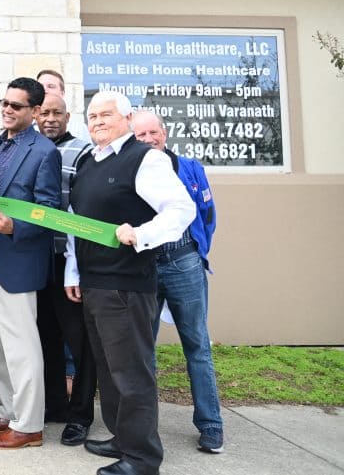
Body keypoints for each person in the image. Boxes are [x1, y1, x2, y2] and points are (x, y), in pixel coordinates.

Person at [65, 92, 194, 475]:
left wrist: (141, 233)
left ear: (127, 118)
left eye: (107, 114)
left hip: (127, 284)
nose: (98, 121)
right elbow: (77, 222)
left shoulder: (146, 159)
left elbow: (182, 208)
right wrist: (74, 273)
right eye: (92, 116)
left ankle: (141, 458)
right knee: (108, 368)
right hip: (94, 283)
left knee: (131, 372)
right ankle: (123, 439)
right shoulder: (89, 161)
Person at [0, 77, 61, 450]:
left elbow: (50, 208)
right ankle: (9, 411)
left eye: (17, 106)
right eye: (5, 104)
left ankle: (29, 425)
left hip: (19, 255)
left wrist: (15, 227)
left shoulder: (44, 152)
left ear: (36, 112)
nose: (7, 110)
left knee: (21, 344)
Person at [131, 110, 224, 454]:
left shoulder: (190, 167)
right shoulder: (131, 170)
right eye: (140, 134)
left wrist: (197, 252)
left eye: (153, 132)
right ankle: (144, 427)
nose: (148, 139)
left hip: (184, 262)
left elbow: (207, 215)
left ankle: (211, 425)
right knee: (144, 350)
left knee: (197, 345)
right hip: (146, 266)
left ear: (164, 134)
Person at [34, 93, 97, 447]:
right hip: (36, 258)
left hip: (68, 259)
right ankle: (55, 404)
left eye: (57, 113)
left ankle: (81, 415)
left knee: (80, 342)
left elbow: (82, 207)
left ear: (68, 116)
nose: (50, 119)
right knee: (45, 337)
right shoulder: (32, 149)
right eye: (44, 112)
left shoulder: (82, 151)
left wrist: (76, 265)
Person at [36, 69, 90, 142]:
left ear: (62, 93)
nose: (45, 90)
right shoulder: (25, 126)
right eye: (40, 87)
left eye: (51, 86)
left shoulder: (78, 128)